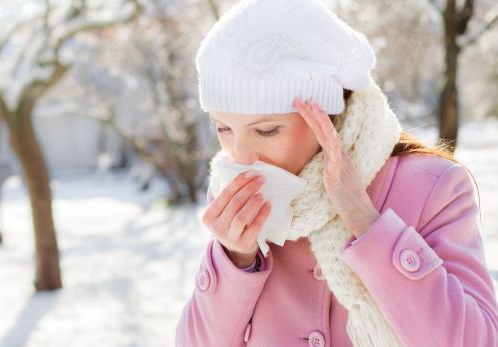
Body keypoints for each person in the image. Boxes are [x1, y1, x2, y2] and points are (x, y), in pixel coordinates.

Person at [175, 0, 498, 346]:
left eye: (267, 130)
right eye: (223, 129)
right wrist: (234, 260)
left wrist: (368, 224)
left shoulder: (434, 187)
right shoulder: (233, 203)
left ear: (328, 113)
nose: (242, 156)